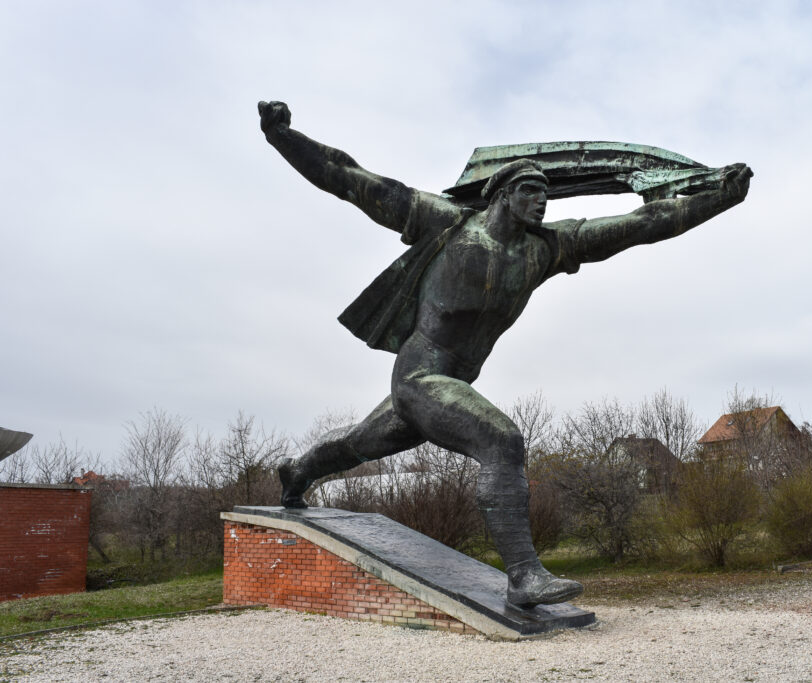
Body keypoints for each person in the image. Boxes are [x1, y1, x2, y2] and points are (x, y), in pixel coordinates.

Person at [258, 100, 752, 608]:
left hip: (452, 386)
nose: (542, 203)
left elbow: (645, 222)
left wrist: (719, 197)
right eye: (531, 192)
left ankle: (297, 474)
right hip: (418, 377)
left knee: (355, 446)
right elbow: (349, 178)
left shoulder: (547, 249)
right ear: (501, 193)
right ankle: (523, 576)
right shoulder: (445, 223)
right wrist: (283, 137)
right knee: (501, 441)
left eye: (546, 194)